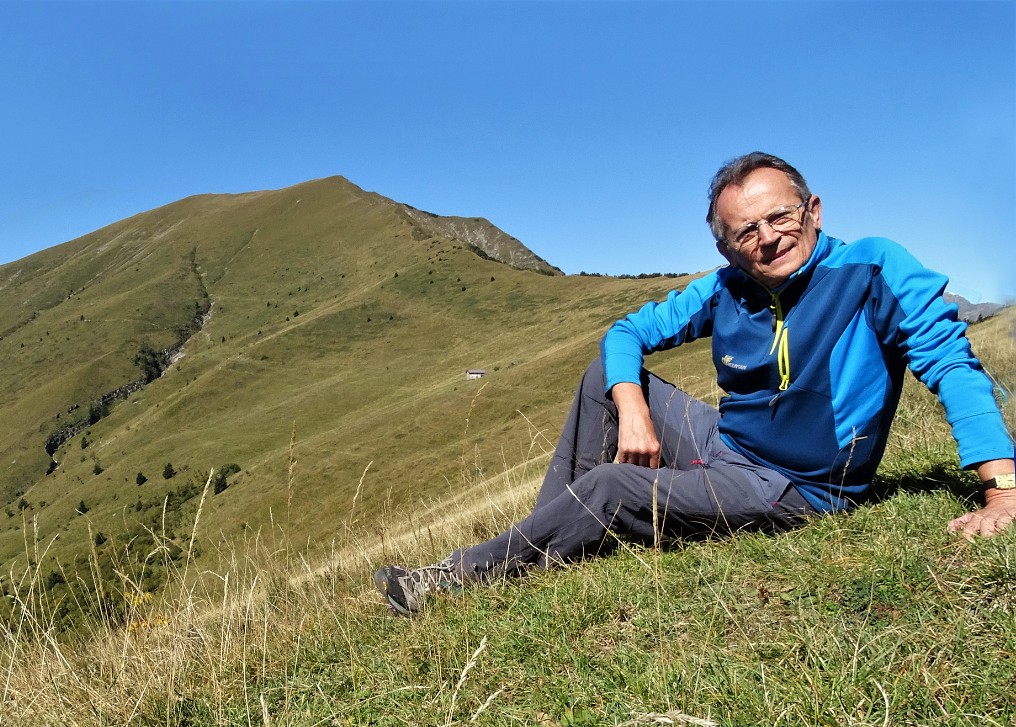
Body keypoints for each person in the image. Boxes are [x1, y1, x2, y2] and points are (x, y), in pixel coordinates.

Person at [375, 151, 1016, 615]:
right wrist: (632, 406)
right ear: (727, 249)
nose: (769, 239)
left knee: (607, 485)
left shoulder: (872, 268)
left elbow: (952, 365)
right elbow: (626, 333)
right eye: (746, 232)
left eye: (781, 217)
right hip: (725, 443)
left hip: (798, 486)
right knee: (608, 375)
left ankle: (454, 579)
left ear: (813, 210)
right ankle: (543, 543)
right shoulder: (724, 289)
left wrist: (1002, 492)